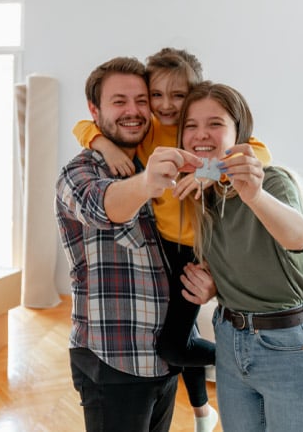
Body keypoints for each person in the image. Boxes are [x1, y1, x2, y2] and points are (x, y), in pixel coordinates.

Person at [72, 47, 272, 432]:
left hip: (196, 250)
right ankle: (202, 411)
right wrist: (104, 144)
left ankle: (243, 363)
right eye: (157, 95)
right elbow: (82, 126)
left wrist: (211, 171)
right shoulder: (147, 135)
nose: (165, 105)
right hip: (163, 246)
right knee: (181, 335)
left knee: (174, 345)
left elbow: (258, 152)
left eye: (178, 96)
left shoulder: (203, 134)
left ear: (194, 95)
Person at [55, 56, 216, 432]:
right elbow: (102, 205)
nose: (134, 110)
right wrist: (146, 183)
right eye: (119, 101)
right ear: (95, 111)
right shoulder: (79, 172)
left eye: (141, 100)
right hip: (114, 362)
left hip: (163, 363)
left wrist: (210, 284)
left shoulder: (158, 157)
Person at [177, 80, 303, 432]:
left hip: (289, 346)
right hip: (230, 342)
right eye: (191, 125)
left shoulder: (272, 181)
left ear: (239, 133)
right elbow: (242, 260)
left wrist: (254, 196)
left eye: (215, 123)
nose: (201, 134)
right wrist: (215, 287)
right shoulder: (203, 197)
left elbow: (297, 238)